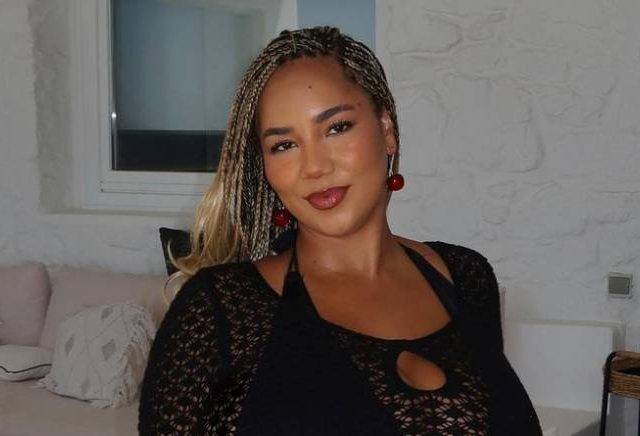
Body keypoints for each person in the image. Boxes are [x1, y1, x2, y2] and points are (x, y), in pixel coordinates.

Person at [138, 26, 542, 435]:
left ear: (386, 130)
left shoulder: (467, 277)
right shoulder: (220, 311)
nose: (315, 167)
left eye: (336, 128)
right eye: (284, 145)